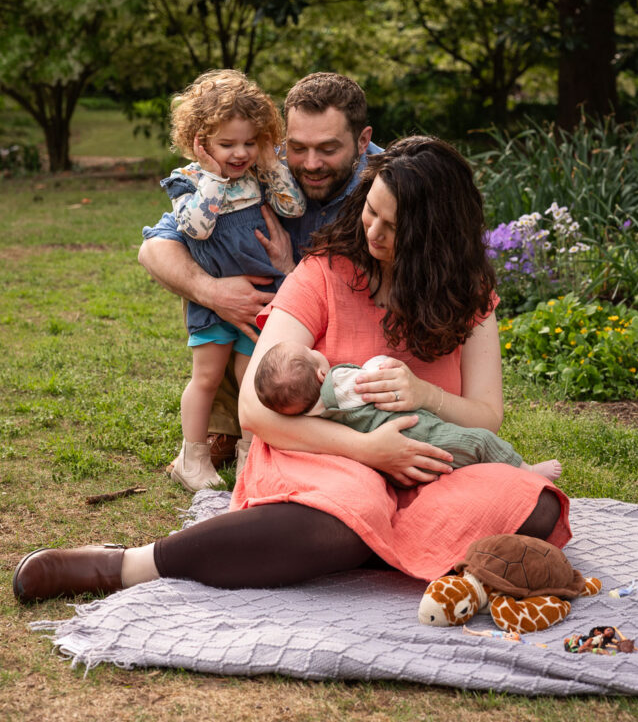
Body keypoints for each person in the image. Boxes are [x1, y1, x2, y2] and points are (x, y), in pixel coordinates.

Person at [13, 136, 570, 604]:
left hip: (433, 470)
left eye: (393, 227)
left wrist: (424, 392)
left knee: (535, 503)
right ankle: (128, 565)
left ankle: (374, 539)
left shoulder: (470, 294)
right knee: (350, 507)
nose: (373, 232)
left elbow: (486, 417)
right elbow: (256, 408)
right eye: (371, 211)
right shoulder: (324, 272)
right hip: (321, 455)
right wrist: (369, 452)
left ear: (435, 239)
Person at [139, 72, 380, 467]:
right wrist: (212, 291)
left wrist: (294, 270)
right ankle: (225, 430)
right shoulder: (255, 168)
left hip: (346, 327)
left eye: (328, 148)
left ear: (363, 140)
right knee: (215, 283)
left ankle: (297, 427)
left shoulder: (388, 185)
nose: (311, 163)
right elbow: (154, 248)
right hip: (264, 313)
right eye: (297, 147)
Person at [158, 69, 305, 492]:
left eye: (249, 142)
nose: (240, 153)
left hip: (261, 295)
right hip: (213, 300)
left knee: (251, 376)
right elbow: (196, 228)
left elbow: (292, 208)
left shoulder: (258, 176)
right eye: (227, 145)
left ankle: (249, 454)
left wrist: (272, 163)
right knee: (206, 377)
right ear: (199, 142)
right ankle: (192, 456)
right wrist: (215, 178)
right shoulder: (188, 181)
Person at [254, 341, 562, 480]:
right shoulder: (337, 384)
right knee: (479, 441)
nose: (315, 350)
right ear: (321, 376)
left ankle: (499, 476)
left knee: (463, 463)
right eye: (311, 354)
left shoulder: (311, 412)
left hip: (401, 456)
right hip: (420, 431)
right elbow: (369, 375)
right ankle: (527, 472)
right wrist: (380, 364)